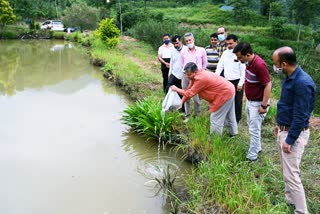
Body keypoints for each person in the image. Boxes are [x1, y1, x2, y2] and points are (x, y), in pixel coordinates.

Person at [272, 47, 317, 214]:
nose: (274, 67)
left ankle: (301, 211)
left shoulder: (302, 83)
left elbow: (300, 116)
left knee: (292, 175)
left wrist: (290, 139)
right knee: (287, 169)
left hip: (294, 133)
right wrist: (279, 124)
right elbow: (287, 106)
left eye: (275, 63)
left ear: (284, 64)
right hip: (285, 128)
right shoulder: (290, 77)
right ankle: (290, 199)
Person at [171, 62, 237, 136]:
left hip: (224, 93)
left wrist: (176, 89)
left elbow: (190, 93)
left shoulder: (201, 79)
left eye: (189, 74)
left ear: (195, 72)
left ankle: (215, 138)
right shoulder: (195, 76)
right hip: (229, 89)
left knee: (216, 117)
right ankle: (233, 134)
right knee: (229, 114)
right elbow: (188, 91)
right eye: (186, 74)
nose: (187, 76)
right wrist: (180, 103)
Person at [233, 42, 272, 162]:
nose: (238, 60)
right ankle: (257, 147)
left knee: (254, 130)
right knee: (252, 126)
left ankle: (252, 157)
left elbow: (268, 84)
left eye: (240, 57)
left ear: (248, 54)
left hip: (258, 102)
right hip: (250, 100)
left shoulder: (259, 65)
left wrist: (264, 105)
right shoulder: (249, 63)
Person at [216, 34, 245, 124]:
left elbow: (243, 69)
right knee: (227, 101)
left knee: (237, 101)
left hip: (237, 81)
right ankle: (228, 118)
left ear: (236, 42)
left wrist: (241, 83)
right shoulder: (225, 53)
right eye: (227, 43)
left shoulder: (240, 54)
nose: (229, 45)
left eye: (231, 43)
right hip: (227, 81)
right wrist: (215, 77)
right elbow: (220, 66)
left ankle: (237, 119)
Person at [180, 32, 207, 121]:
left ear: (193, 40)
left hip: (197, 76)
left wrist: (199, 73)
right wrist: (186, 73)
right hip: (186, 75)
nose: (188, 42)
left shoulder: (201, 50)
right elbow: (181, 63)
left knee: (196, 97)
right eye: (186, 41)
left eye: (190, 40)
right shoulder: (183, 51)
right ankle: (187, 115)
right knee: (186, 94)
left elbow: (205, 63)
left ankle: (197, 115)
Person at [165, 35, 186, 112]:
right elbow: (172, 63)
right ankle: (169, 105)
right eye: (174, 44)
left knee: (182, 92)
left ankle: (182, 108)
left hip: (183, 75)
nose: (175, 45)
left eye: (177, 43)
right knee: (168, 88)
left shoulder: (186, 50)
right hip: (174, 74)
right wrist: (169, 74)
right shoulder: (173, 51)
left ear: (181, 41)